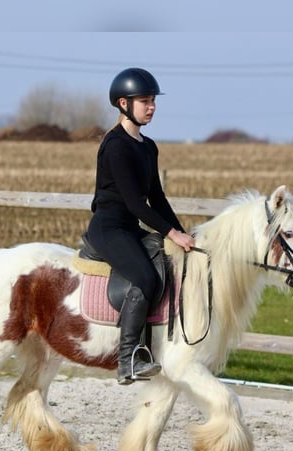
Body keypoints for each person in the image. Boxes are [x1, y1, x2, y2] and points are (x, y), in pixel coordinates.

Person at [86, 67, 195, 384]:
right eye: (145, 101)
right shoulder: (115, 145)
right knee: (145, 278)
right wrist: (170, 232)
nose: (152, 107)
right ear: (123, 103)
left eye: (153, 101)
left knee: (167, 262)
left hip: (131, 228)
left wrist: (182, 234)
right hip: (108, 228)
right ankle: (128, 359)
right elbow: (135, 203)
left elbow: (157, 198)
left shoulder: (148, 147)